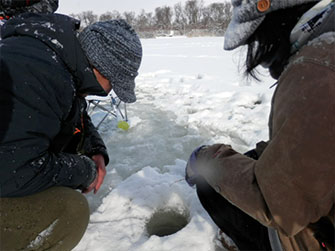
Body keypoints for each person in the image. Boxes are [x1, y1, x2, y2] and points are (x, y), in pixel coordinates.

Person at [186, 0, 335, 250]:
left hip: (319, 234)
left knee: (208, 183)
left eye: (258, 41)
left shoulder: (315, 70)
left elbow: (281, 206)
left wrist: (207, 159)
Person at [0, 11, 142, 251]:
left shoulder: (50, 54)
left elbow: (75, 110)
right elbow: (14, 172)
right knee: (71, 210)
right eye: (113, 84)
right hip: (7, 173)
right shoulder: (45, 77)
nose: (108, 93)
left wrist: (94, 149)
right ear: (100, 68)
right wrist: (84, 171)